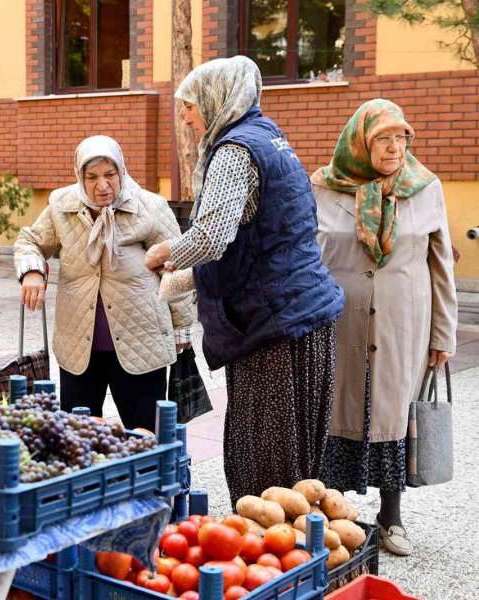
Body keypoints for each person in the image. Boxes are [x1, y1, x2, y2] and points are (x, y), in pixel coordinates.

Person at [144, 56, 345, 506]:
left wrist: (167, 254)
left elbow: (213, 237)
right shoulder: (271, 138)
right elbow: (260, 242)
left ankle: (272, 557)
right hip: (302, 315)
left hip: (272, 327)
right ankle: (298, 548)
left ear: (217, 100)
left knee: (265, 457)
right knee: (296, 456)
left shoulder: (235, 151)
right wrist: (183, 285)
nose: (187, 118)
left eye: (191, 106)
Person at [312, 99, 457, 556]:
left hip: (402, 326)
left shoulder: (425, 187)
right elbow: (304, 254)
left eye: (402, 137)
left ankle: (391, 518)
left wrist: (443, 334)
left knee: (394, 416)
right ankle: (323, 518)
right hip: (334, 322)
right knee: (332, 413)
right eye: (383, 138)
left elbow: (440, 266)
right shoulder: (322, 185)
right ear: (360, 140)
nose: (395, 148)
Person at [14, 135, 194, 432]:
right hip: (78, 350)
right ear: (79, 177)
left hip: (141, 344)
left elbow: (178, 269)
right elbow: (30, 240)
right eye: (92, 177)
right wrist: (32, 271)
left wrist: (182, 328)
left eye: (110, 175)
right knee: (78, 438)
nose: (103, 185)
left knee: (147, 437)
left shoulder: (151, 207)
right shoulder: (62, 206)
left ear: (122, 171)